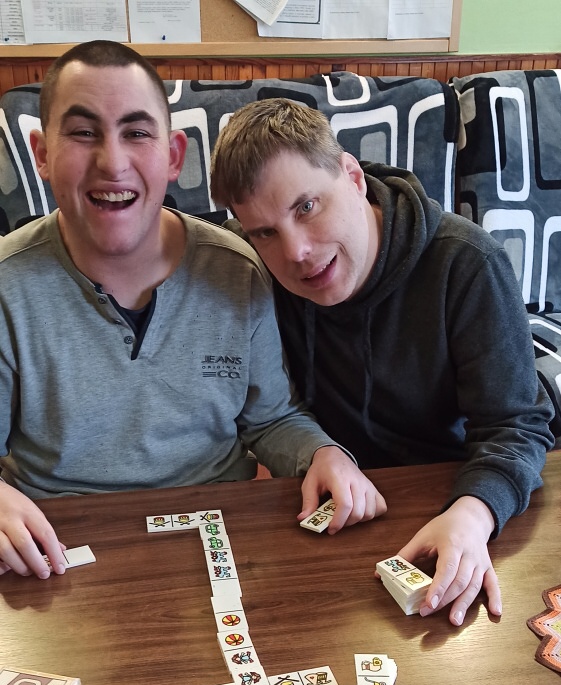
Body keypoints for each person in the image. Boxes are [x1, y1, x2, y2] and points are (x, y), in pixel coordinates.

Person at [0, 43, 381, 582]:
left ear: (174, 156)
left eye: (137, 133)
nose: (113, 162)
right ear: (41, 153)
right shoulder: (7, 286)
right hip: (54, 547)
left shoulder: (240, 269)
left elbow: (271, 418)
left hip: (221, 534)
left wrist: (322, 453)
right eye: (83, 132)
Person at [210, 98, 555, 626]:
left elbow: (516, 425)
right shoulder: (248, 266)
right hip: (331, 505)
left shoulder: (468, 263)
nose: (296, 252)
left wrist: (474, 512)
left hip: (457, 492)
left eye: (307, 207)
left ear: (353, 178)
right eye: (265, 232)